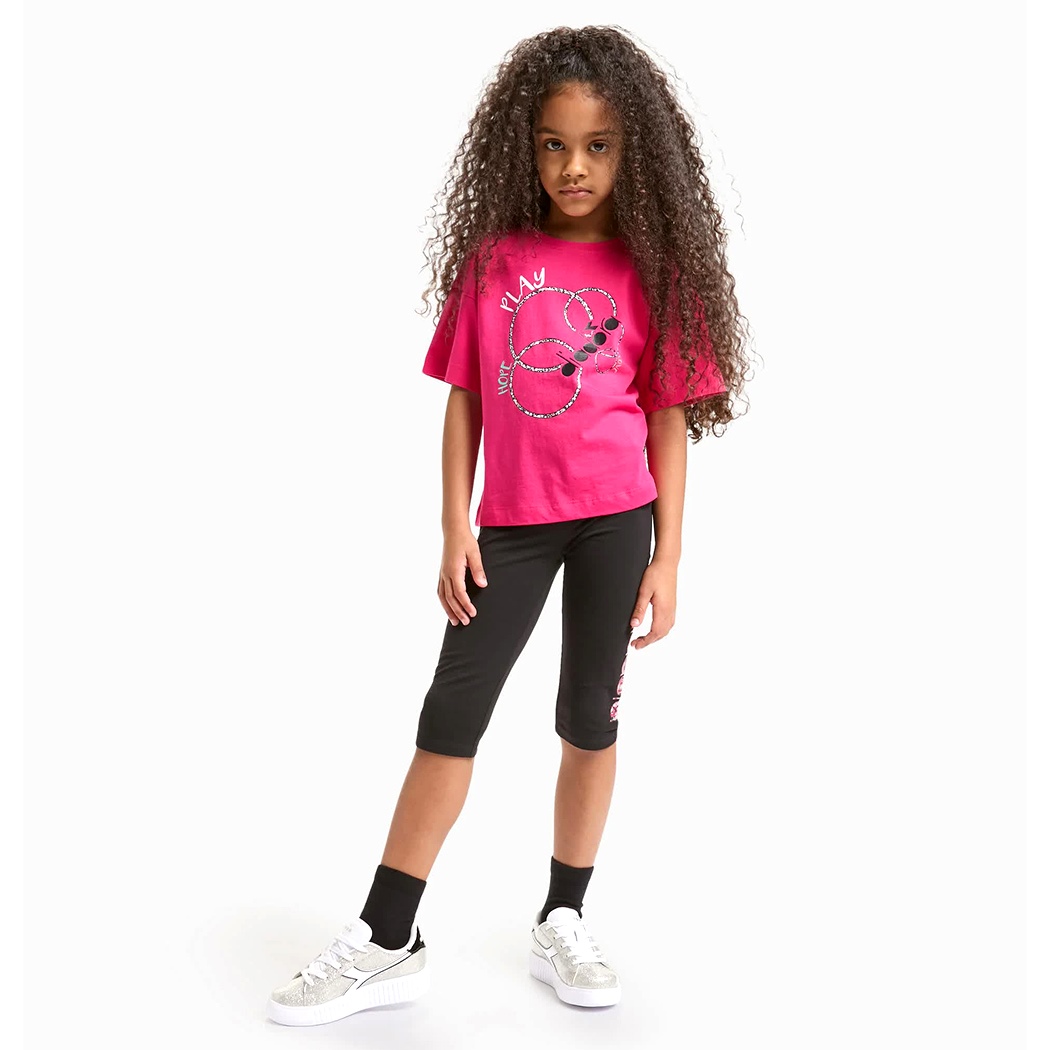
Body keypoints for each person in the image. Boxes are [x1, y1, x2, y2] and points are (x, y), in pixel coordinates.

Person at [267, 23, 751, 1027]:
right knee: (451, 718)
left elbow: (667, 420)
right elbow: (465, 399)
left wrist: (669, 557)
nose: (575, 167)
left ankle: (563, 916)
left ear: (634, 149)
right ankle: (387, 938)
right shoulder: (495, 260)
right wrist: (455, 525)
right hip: (514, 529)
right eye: (554, 144)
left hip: (617, 523)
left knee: (589, 719)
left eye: (599, 145)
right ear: (523, 148)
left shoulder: (656, 268)